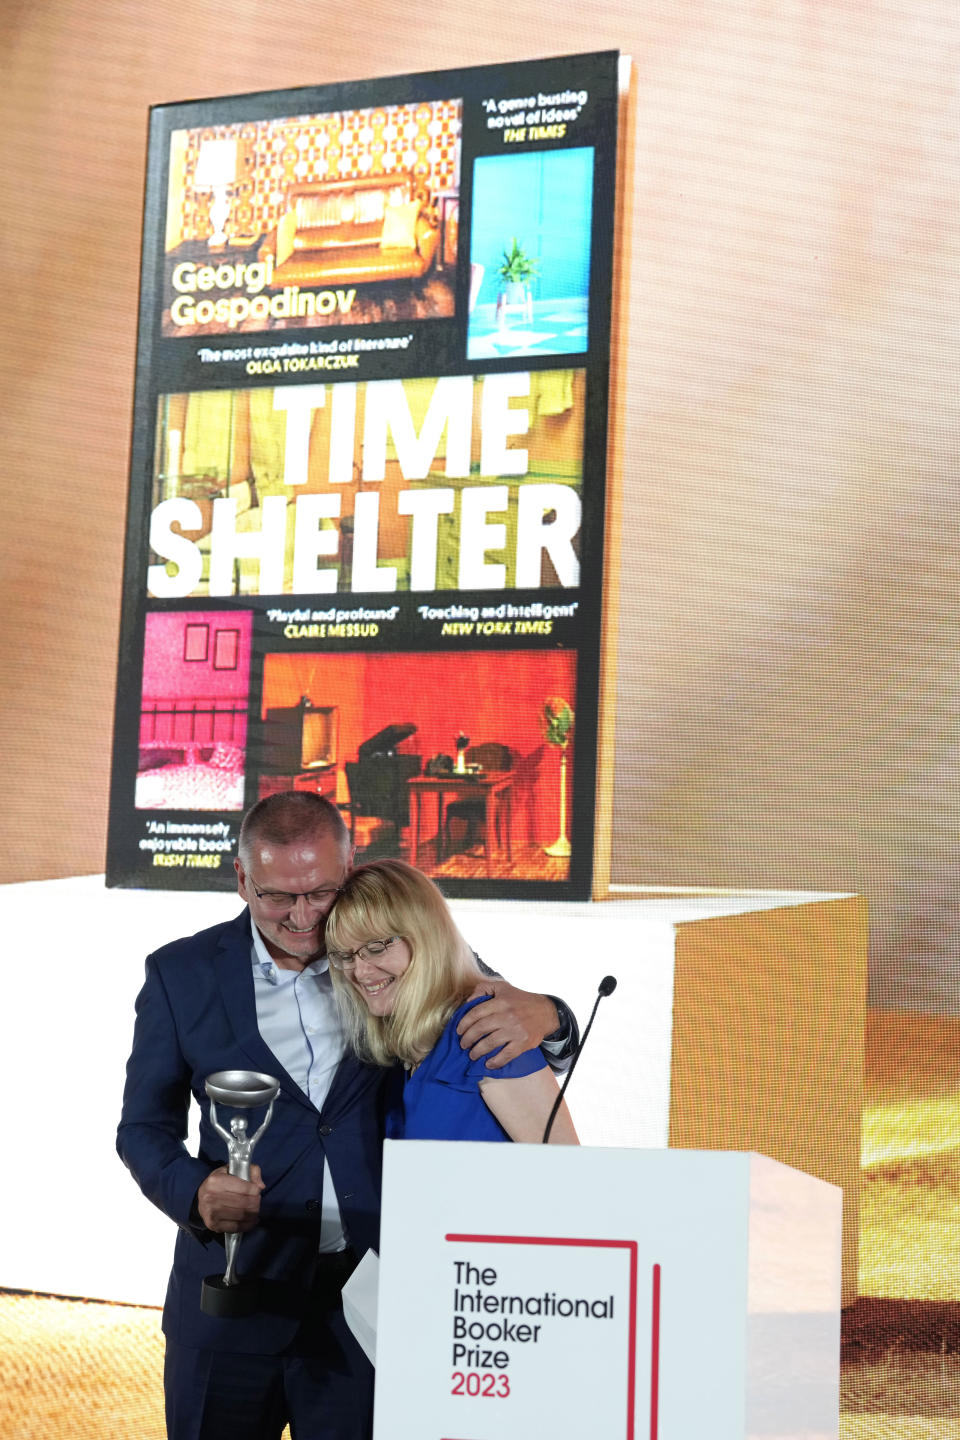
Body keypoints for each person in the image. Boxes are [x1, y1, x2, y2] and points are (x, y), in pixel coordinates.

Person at [117, 790, 578, 1440]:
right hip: (232, 1298)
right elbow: (142, 1128)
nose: (304, 917)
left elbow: (497, 1008)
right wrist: (193, 1192)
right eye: (279, 896)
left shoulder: (388, 951)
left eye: (320, 892)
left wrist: (555, 1014)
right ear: (242, 877)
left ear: (350, 866)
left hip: (369, 1303)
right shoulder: (179, 973)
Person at [325, 859, 578, 1144]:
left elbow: (567, 1176)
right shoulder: (405, 1049)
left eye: (375, 948)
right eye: (345, 956)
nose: (359, 972)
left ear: (426, 939)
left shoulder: (487, 1031)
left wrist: (551, 1012)